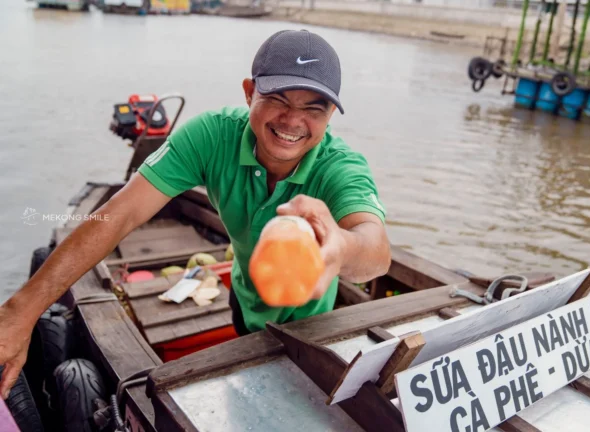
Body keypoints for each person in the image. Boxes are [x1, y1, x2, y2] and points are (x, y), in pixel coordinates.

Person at [0, 29, 391, 399]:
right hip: (244, 298)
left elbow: (375, 249)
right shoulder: (211, 136)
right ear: (249, 92)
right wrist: (22, 310)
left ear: (330, 116)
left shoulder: (340, 167)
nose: (292, 121)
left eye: (313, 108)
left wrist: (340, 246)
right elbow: (117, 216)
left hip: (314, 326)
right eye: (278, 99)